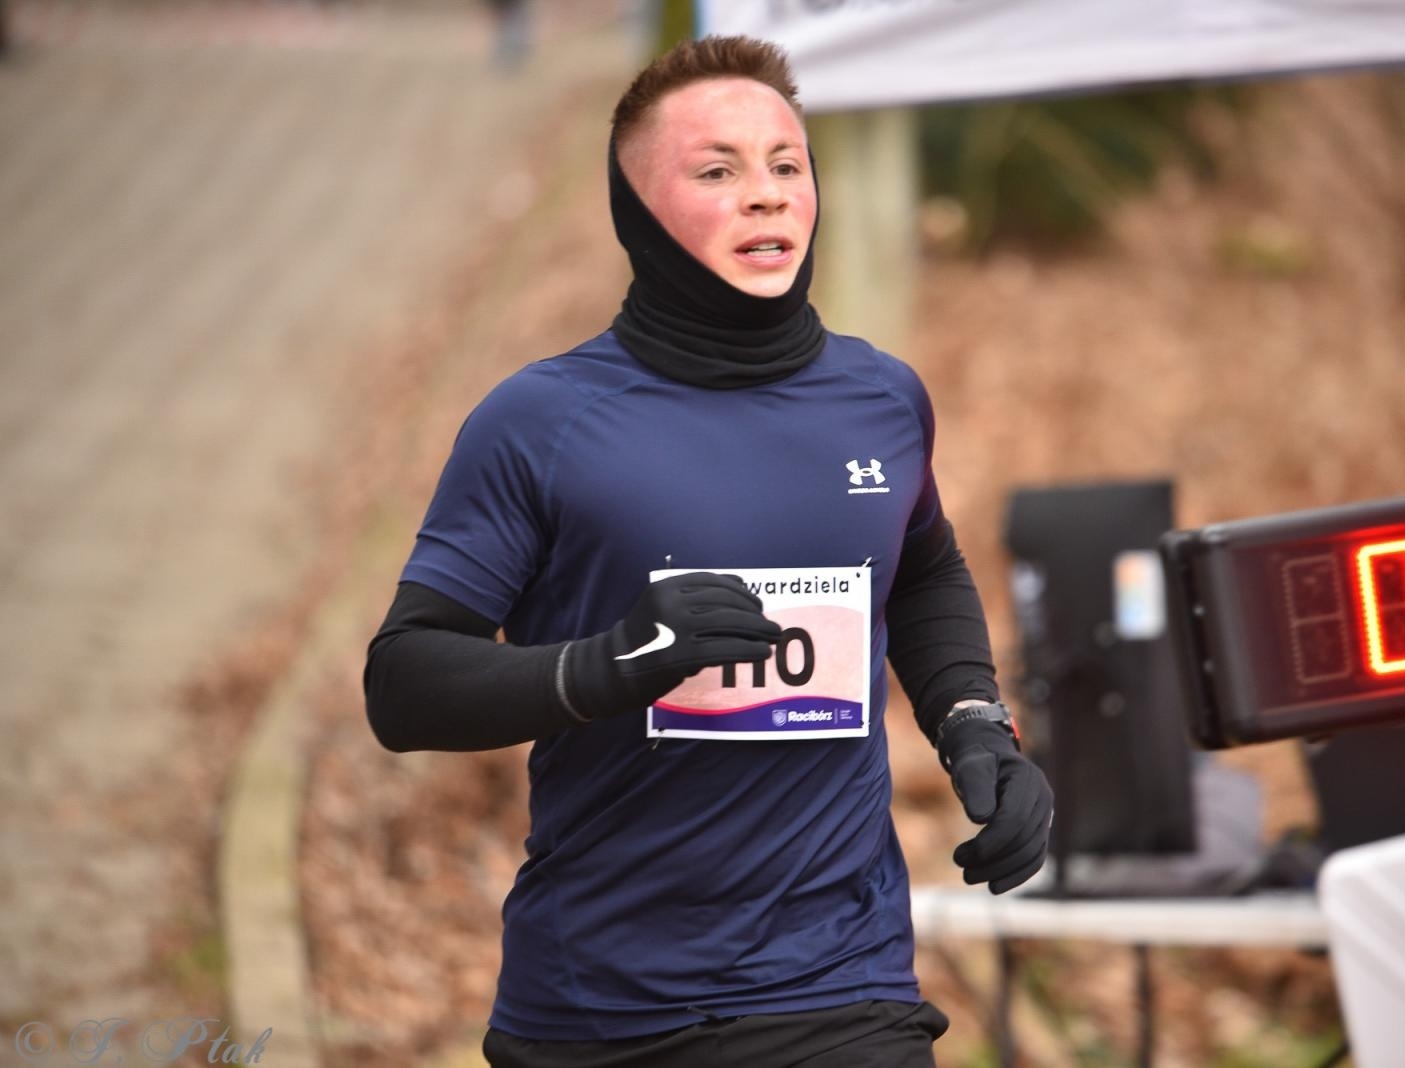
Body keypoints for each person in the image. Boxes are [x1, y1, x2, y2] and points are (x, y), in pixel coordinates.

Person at [364, 35, 1053, 1068]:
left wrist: (974, 727)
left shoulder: (881, 400)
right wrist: (610, 664)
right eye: (716, 171)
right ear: (637, 212)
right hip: (604, 1001)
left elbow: (920, 568)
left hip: (841, 981)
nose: (768, 195)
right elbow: (404, 683)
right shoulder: (539, 423)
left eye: (786, 165)